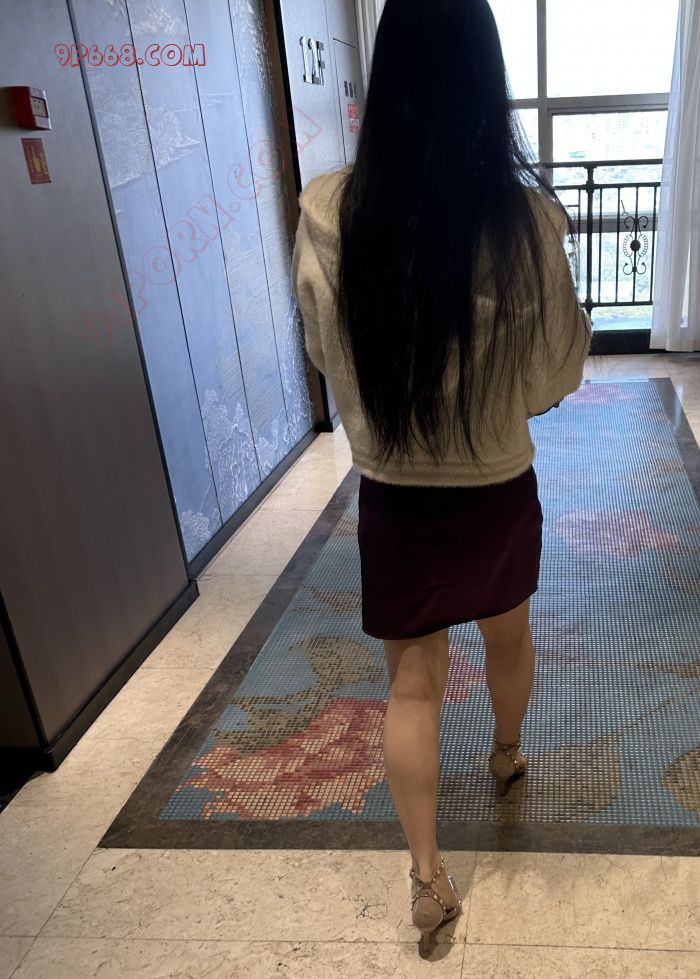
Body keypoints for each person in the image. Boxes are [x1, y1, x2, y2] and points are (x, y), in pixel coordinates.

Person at [291, 0, 592, 955]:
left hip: (395, 492)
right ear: (485, 84)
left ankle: (427, 874)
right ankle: (505, 754)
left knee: (413, 682)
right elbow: (553, 376)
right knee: (509, 634)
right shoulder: (526, 220)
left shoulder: (329, 210)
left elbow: (325, 352)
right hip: (495, 482)